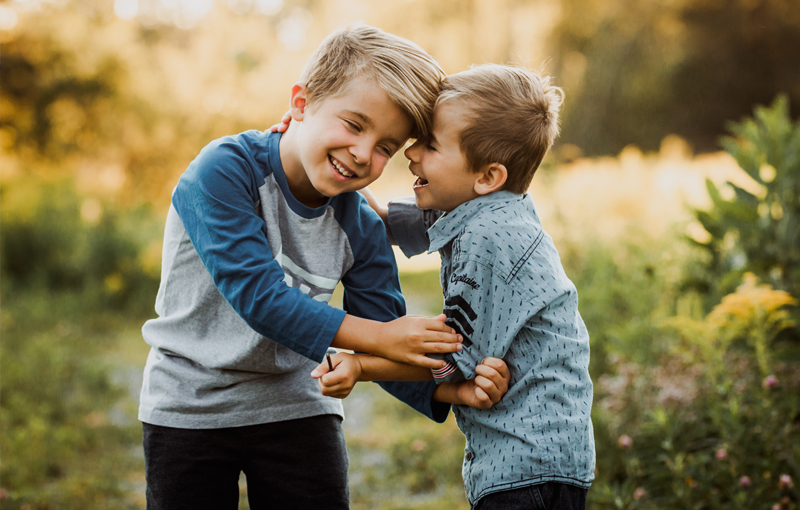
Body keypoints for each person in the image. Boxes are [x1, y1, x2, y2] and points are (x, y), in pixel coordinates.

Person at [139, 24, 511, 510]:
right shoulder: (224, 170)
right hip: (189, 406)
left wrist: (454, 387)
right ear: (300, 103)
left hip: (299, 405)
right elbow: (261, 299)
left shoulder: (360, 222)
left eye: (386, 147)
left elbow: (385, 339)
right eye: (354, 125)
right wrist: (384, 337)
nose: (363, 154)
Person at [312, 64, 596, 509]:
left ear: (487, 176)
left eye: (430, 144)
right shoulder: (484, 208)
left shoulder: (491, 236)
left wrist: (362, 365)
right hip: (535, 461)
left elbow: (451, 359)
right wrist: (322, 155)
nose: (412, 153)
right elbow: (388, 221)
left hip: (527, 465)